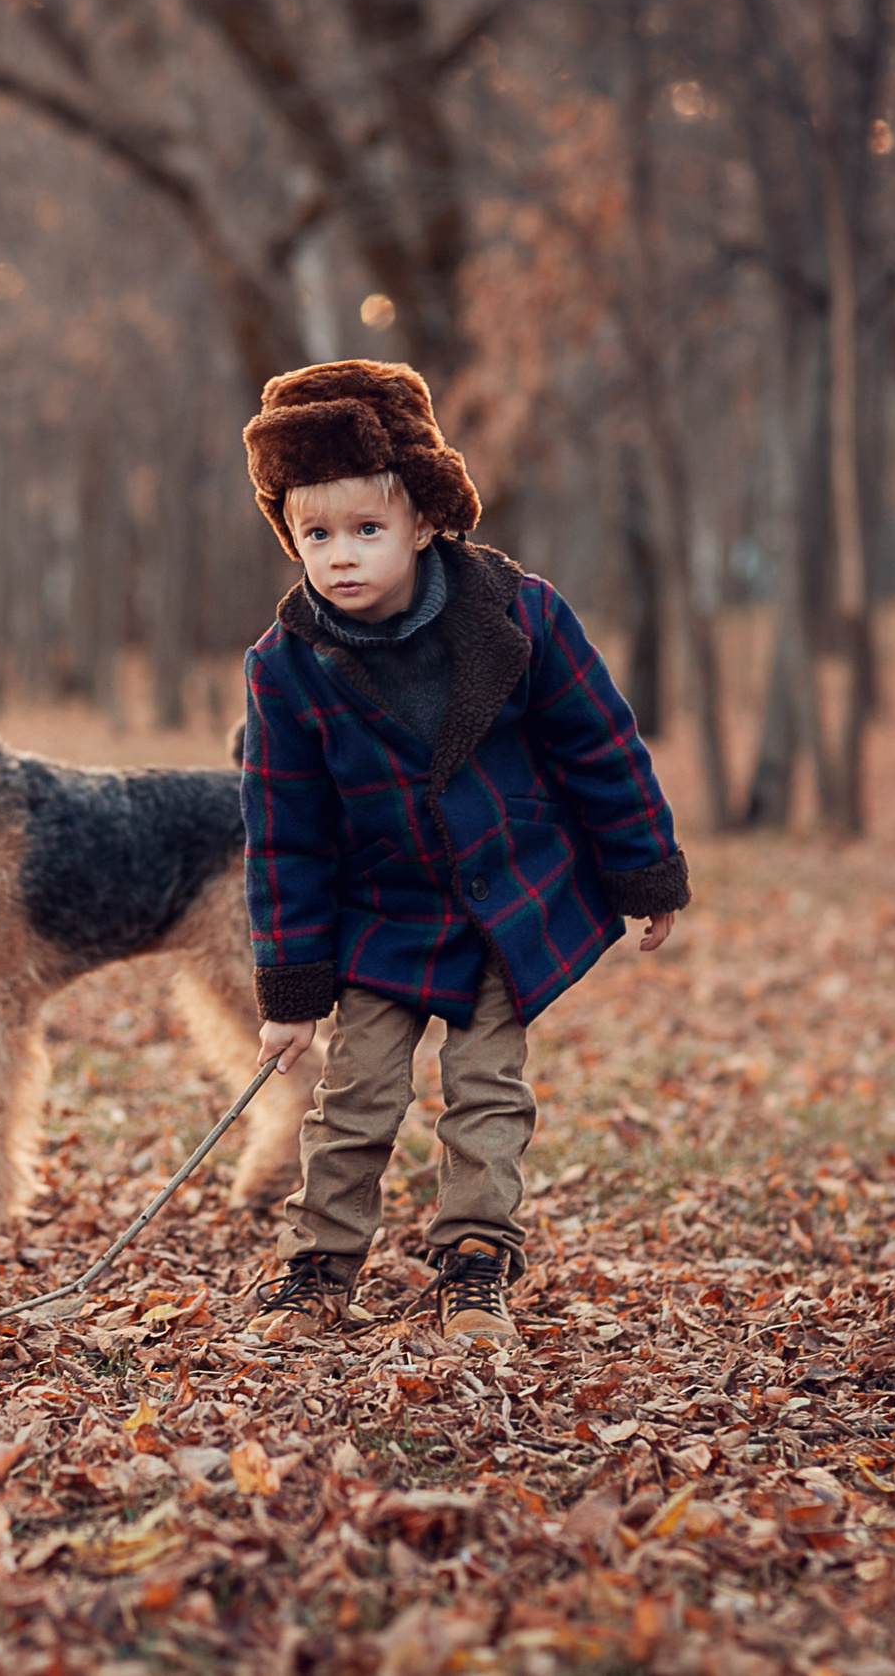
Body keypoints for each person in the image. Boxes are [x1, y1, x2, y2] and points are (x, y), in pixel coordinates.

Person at [236, 361, 687, 1346]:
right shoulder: (286, 667)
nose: (340, 555)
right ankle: (319, 1268)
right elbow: (285, 835)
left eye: (366, 530)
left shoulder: (517, 617)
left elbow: (598, 744)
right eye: (316, 535)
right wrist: (292, 992)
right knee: (356, 1098)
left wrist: (642, 871)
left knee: (487, 1092)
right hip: (382, 920)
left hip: (504, 911)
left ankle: (474, 1262)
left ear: (424, 522)